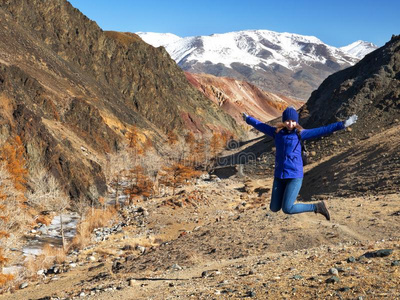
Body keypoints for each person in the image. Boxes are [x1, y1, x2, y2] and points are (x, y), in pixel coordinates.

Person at [242, 107, 358, 220]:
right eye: (288, 121)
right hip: (279, 175)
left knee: (287, 208)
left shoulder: (300, 133)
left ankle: (317, 206)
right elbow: (261, 126)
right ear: (284, 121)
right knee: (274, 208)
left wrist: (343, 124)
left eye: (293, 121)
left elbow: (324, 129)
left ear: (296, 121)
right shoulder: (277, 132)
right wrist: (248, 119)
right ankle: (286, 198)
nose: (290, 124)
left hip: (294, 175)